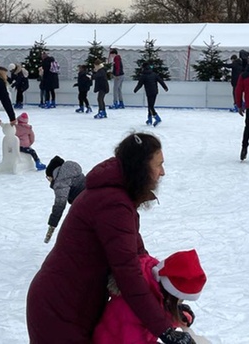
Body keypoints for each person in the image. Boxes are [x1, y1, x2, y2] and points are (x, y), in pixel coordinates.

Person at [27, 132, 192, 344]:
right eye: (158, 165)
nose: (162, 172)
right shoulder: (113, 204)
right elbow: (128, 275)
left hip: (76, 303)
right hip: (60, 308)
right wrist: (164, 329)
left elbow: (139, 257)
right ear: (140, 168)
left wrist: (169, 304)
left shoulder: (119, 198)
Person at [93, 249, 206, 344]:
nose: (179, 303)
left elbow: (154, 313)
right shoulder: (128, 307)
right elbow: (131, 339)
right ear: (171, 292)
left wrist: (175, 317)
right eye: (178, 300)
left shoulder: (153, 286)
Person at [43, 155, 87, 243]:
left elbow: (60, 204)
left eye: (48, 178)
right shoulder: (73, 171)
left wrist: (52, 224)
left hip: (85, 205)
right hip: (93, 197)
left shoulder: (60, 182)